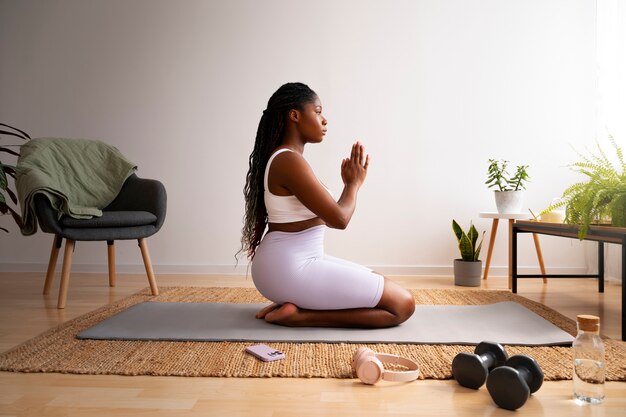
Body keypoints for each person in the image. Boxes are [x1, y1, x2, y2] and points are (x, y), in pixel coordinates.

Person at [240, 82, 415, 328]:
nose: (324, 120)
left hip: (288, 264)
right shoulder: (288, 160)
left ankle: (293, 302)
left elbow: (332, 213)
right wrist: (353, 184)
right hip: (290, 267)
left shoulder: (289, 158)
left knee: (379, 281)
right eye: (318, 111)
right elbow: (339, 219)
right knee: (402, 305)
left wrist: (349, 184)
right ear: (295, 115)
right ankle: (300, 316)